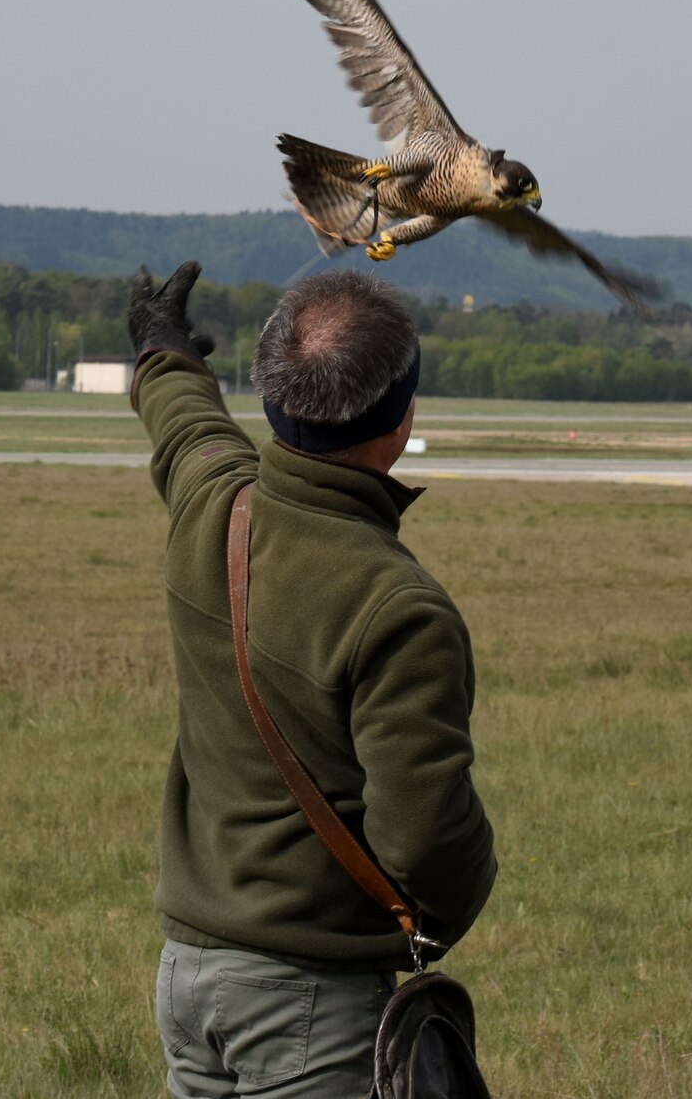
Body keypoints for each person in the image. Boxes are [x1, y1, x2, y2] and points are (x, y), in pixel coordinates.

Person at [129, 261, 497, 1098]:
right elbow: (427, 838)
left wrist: (160, 350)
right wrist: (458, 898)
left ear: (271, 397)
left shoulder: (216, 506)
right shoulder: (397, 606)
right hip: (309, 999)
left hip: (187, 974)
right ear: (400, 420)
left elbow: (186, 430)